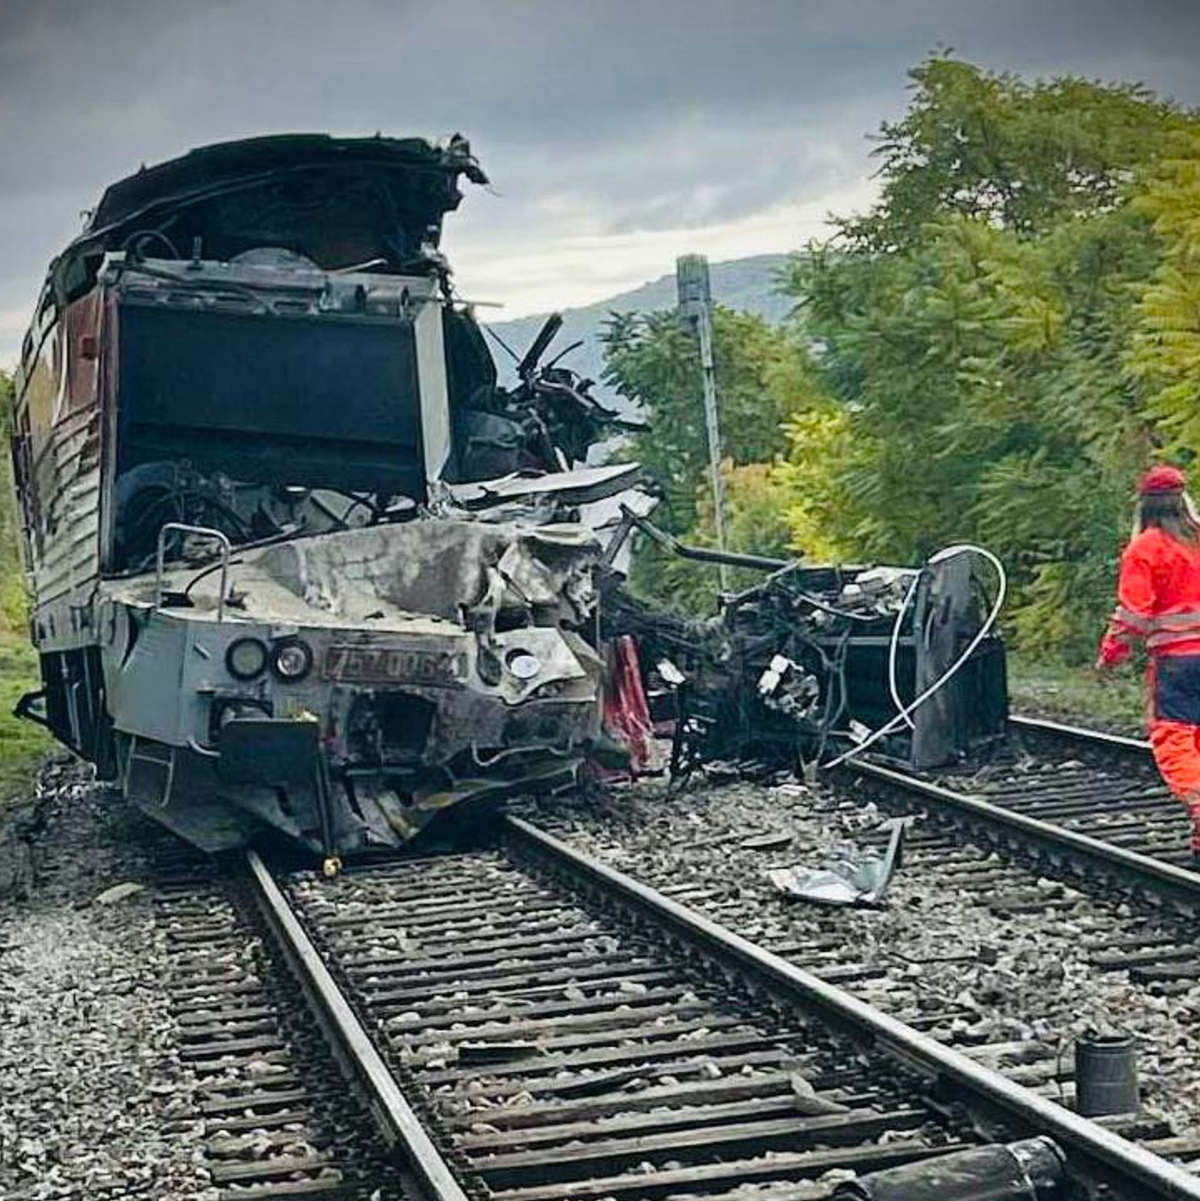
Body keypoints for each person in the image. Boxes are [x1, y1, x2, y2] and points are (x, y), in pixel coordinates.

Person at [1098, 464, 1200, 867]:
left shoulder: (1145, 548)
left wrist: (1111, 654)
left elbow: (1134, 616)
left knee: (1176, 742)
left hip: (1178, 664)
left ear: (1145, 506)